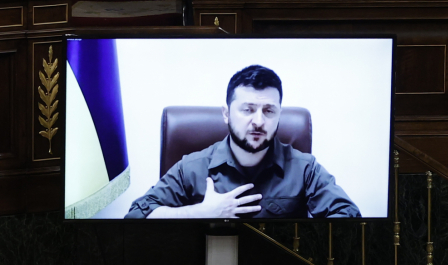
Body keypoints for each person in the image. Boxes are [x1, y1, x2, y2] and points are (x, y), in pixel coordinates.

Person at [126, 65, 361, 219]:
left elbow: (348, 216)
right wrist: (200, 212)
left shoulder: (304, 168)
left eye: (269, 111)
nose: (258, 121)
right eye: (247, 109)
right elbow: (136, 215)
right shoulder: (192, 167)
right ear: (226, 113)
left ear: (279, 115)